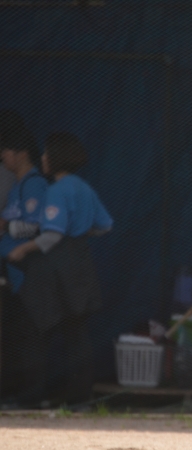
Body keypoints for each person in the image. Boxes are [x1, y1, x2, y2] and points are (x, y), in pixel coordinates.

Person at [8, 131, 113, 407]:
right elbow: (105, 226)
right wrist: (79, 232)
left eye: (46, 153)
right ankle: (80, 398)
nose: (42, 158)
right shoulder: (84, 188)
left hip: (54, 270)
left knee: (36, 330)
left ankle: (29, 397)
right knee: (77, 333)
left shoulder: (56, 190)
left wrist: (23, 249)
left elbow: (52, 235)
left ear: (57, 157)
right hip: (80, 264)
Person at [0, 125, 48, 407]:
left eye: (5, 151)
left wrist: (7, 226)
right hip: (11, 273)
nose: (2, 156)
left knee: (29, 335)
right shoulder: (17, 187)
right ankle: (12, 393)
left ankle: (30, 397)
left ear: (21, 154)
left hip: (28, 272)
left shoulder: (34, 184)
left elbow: (39, 226)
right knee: (12, 334)